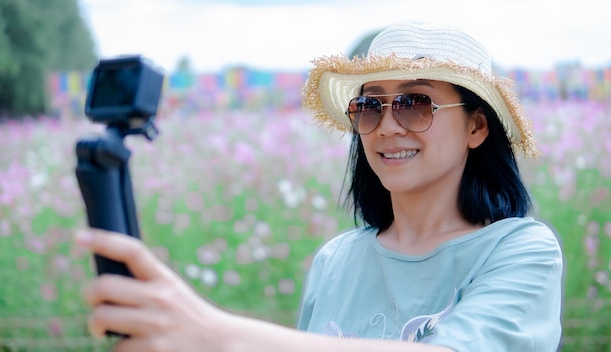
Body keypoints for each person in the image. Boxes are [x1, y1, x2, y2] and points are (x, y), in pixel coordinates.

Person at [77, 22, 563, 351]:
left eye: (416, 103)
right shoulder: (337, 260)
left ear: (477, 127)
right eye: (371, 106)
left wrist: (213, 332)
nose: (389, 126)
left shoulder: (521, 249)